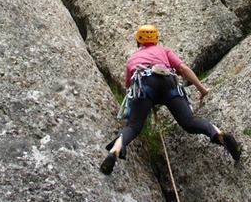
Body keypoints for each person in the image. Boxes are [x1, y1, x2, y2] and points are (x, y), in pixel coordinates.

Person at [100, 24, 241, 174]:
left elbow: (129, 87)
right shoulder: (163, 51)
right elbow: (183, 69)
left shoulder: (132, 59)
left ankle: (114, 151)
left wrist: (147, 103)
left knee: (133, 127)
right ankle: (219, 135)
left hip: (144, 86)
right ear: (155, 39)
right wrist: (203, 90)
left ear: (138, 40)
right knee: (189, 122)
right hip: (169, 83)